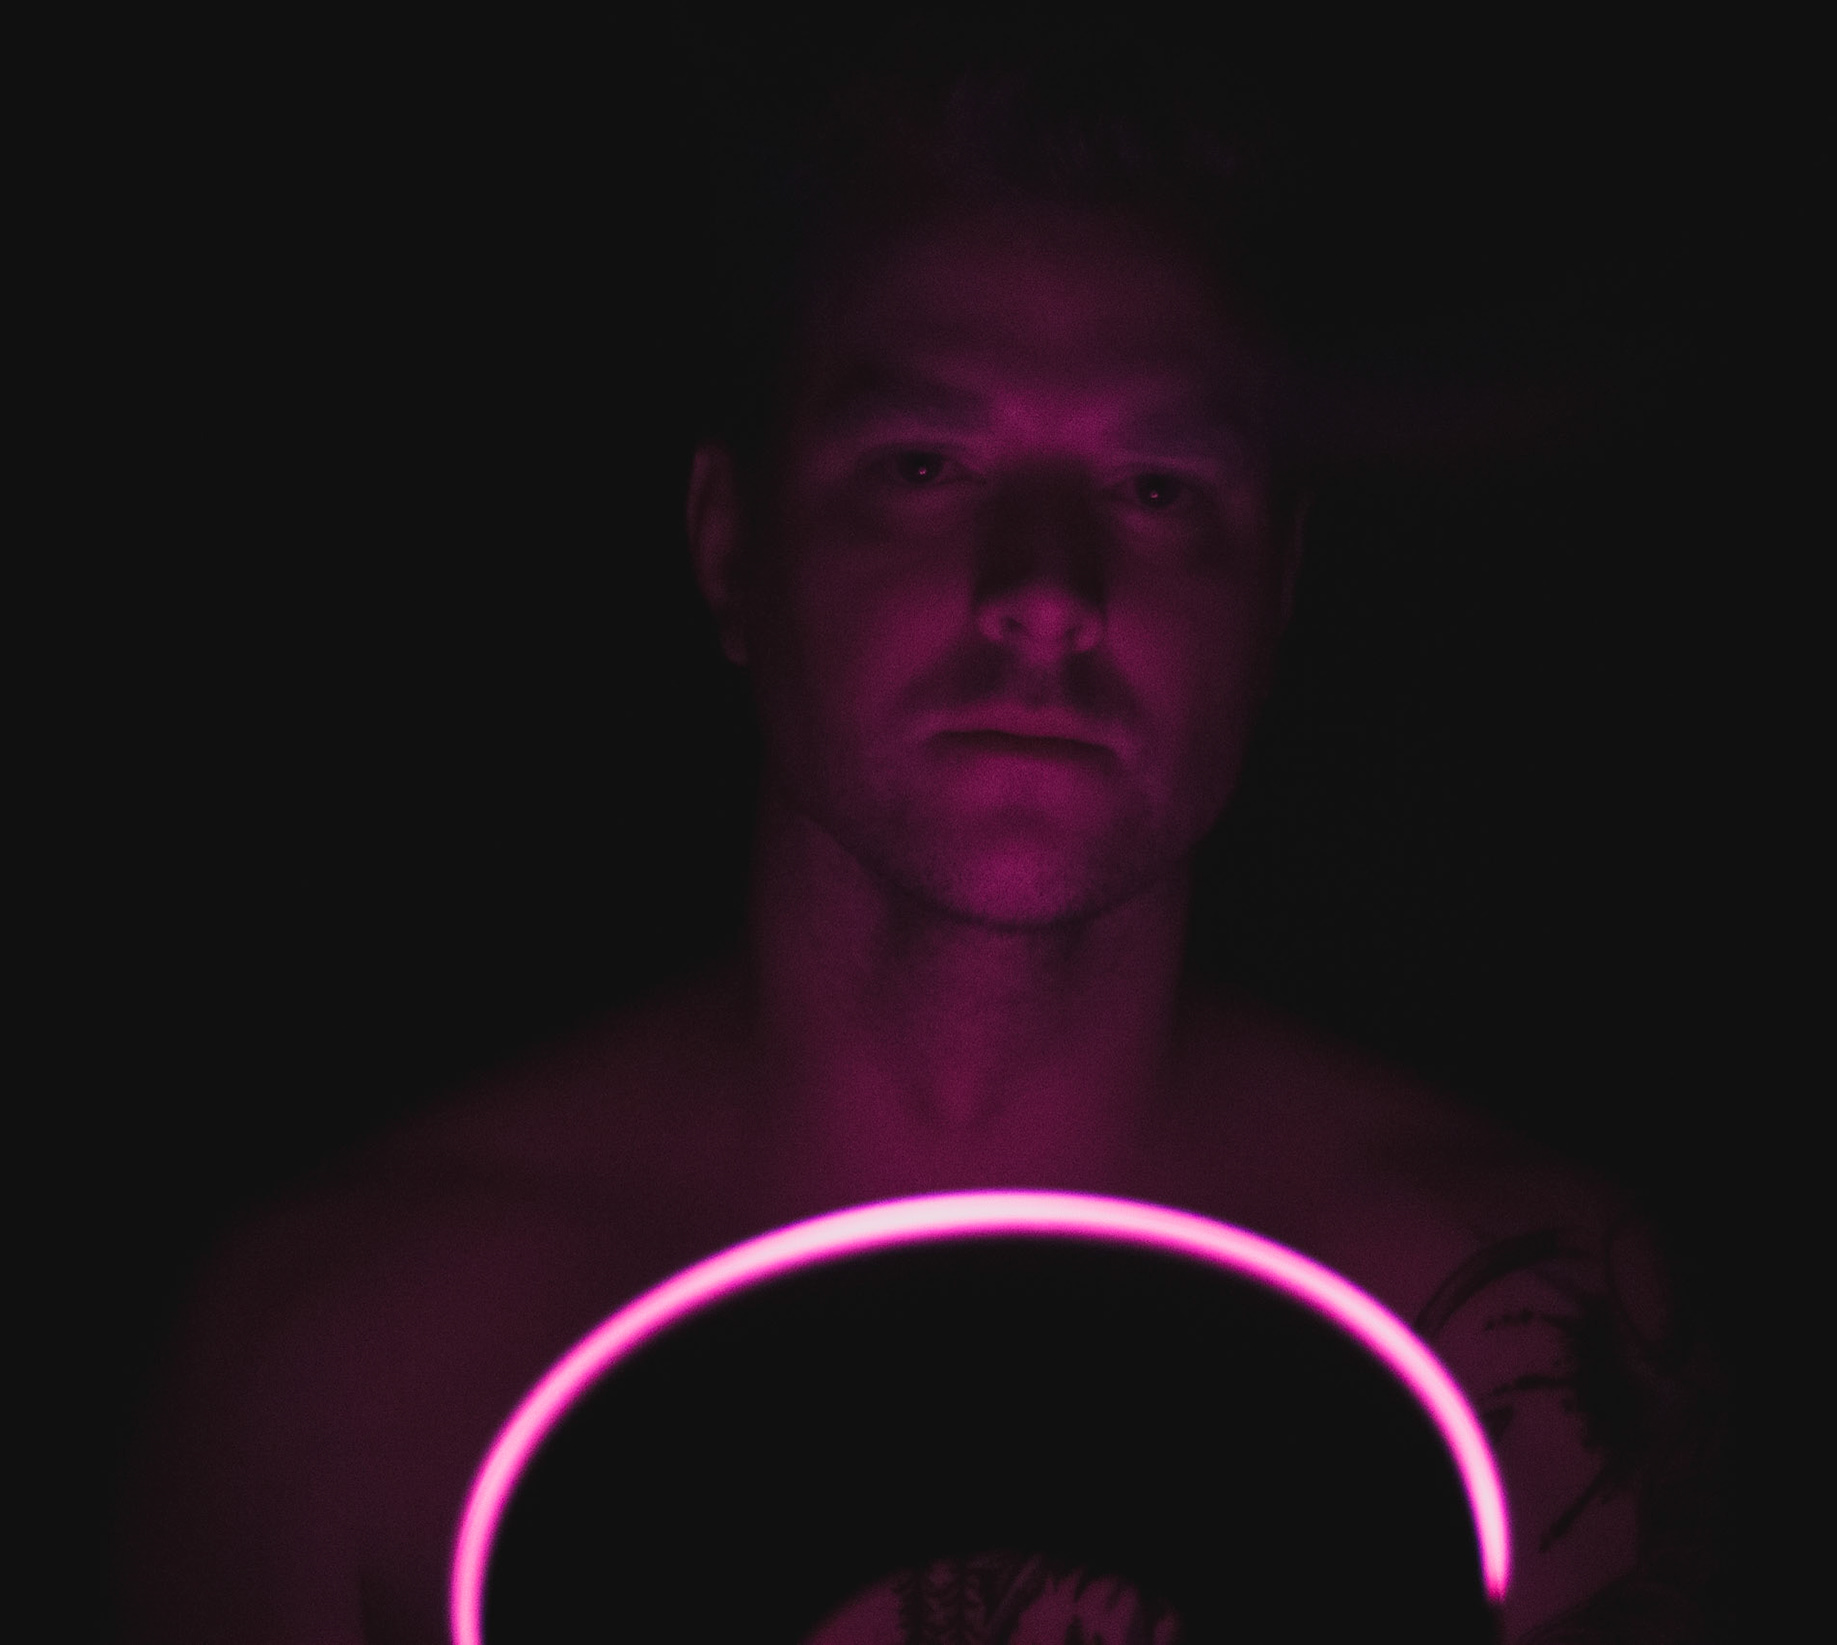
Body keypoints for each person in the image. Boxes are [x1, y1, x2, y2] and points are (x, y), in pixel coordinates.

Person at [117, 36, 1722, 1645]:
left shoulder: (1543, 1332)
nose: (1046, 590)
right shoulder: (335, 1375)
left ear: (1279, 591)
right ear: (732, 546)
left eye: (1158, 486)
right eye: (926, 465)